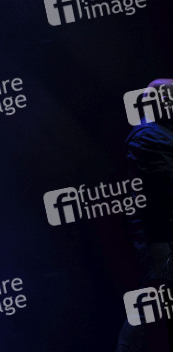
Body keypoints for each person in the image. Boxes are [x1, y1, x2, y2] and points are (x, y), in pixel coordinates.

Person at [117, 79, 173, 351]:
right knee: (149, 307)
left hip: (162, 240)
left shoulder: (158, 133)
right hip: (161, 242)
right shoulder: (149, 136)